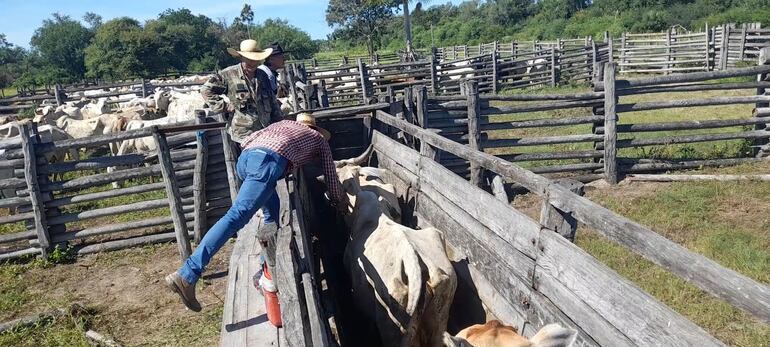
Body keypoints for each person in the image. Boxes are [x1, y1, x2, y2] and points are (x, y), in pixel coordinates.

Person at [165, 113, 349, 312]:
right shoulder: (318, 139)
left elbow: (247, 139)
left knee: (273, 216)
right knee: (237, 215)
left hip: (245, 159)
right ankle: (187, 274)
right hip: (267, 162)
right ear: (314, 128)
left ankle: (265, 272)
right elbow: (331, 176)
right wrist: (340, 201)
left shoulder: (282, 125)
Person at [201, 39, 283, 144]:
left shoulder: (262, 75)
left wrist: (279, 123)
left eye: (255, 59)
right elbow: (206, 90)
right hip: (242, 134)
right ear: (241, 57)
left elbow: (272, 101)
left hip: (265, 131)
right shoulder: (228, 74)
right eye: (248, 59)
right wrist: (224, 106)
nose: (252, 63)